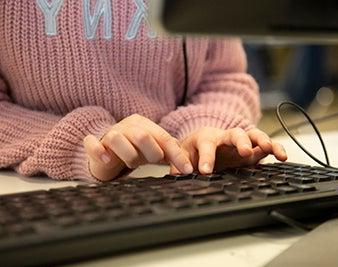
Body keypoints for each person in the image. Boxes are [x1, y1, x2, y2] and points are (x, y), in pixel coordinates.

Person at [0, 0, 287, 182]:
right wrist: (85, 146)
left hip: (180, 185)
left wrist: (207, 130)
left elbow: (223, 78)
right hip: (34, 192)